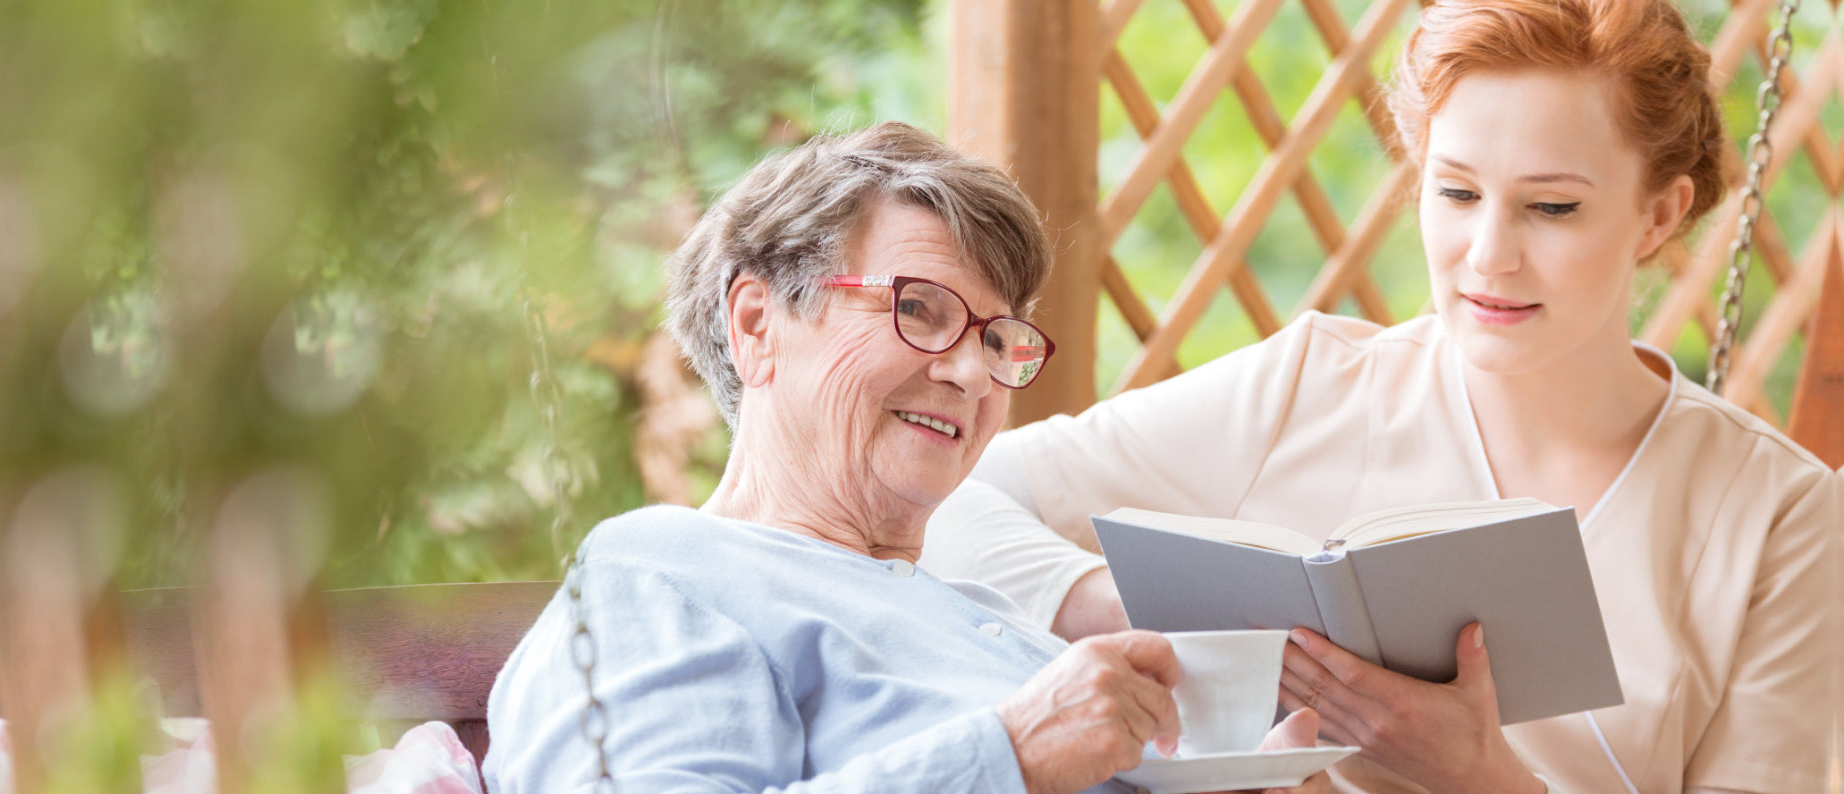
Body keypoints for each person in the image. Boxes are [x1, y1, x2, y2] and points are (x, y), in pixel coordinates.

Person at [918, 2, 1840, 793]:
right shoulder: (1313, 385)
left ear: (1660, 213)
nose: (1489, 255)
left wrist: (1484, 777)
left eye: (1551, 207)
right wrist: (1118, 607)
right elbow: (951, 496)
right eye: (1457, 192)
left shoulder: (1783, 518)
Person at [482, 122, 1331, 794]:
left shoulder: (986, 619)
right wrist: (1014, 754)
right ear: (756, 324)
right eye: (919, 309)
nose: (970, 371)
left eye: (998, 338)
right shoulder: (665, 577)